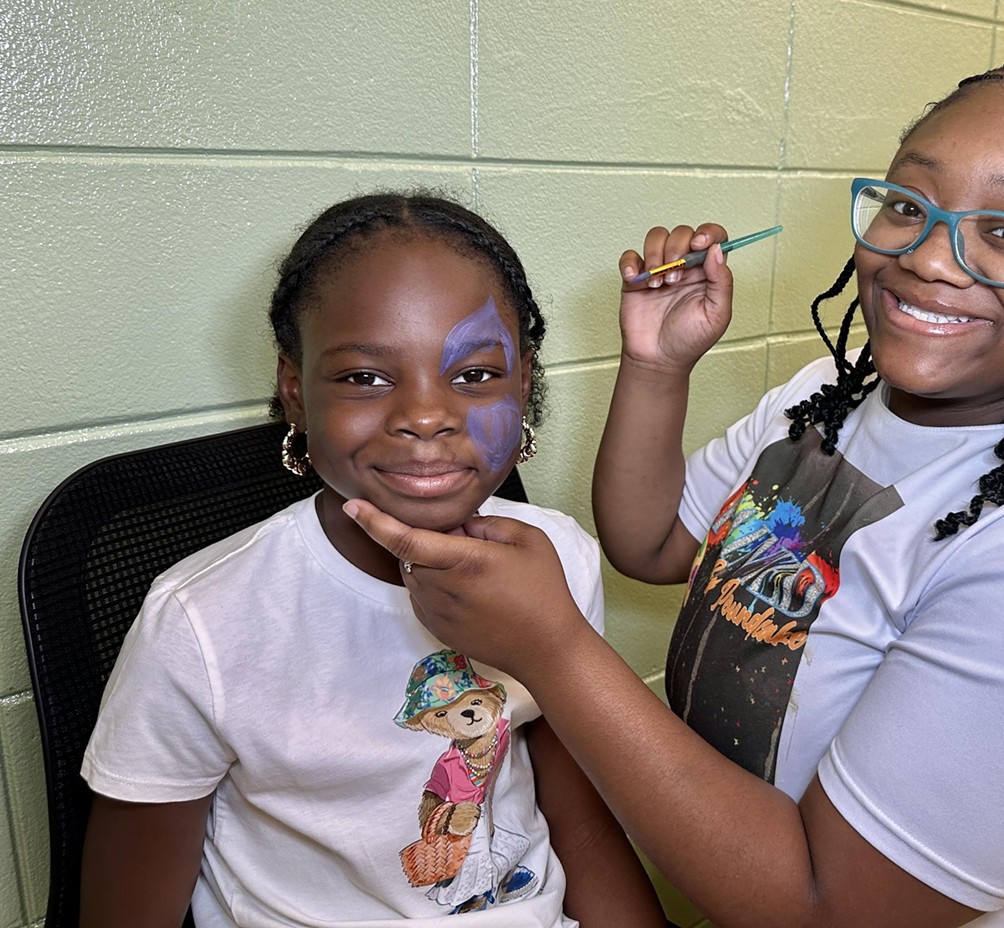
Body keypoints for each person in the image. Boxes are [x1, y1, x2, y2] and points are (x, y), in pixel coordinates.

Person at [346, 62, 1004, 928]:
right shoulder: (827, 400)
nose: (931, 255)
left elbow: (827, 911)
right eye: (908, 205)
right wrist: (655, 365)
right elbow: (652, 544)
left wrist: (555, 652)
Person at [79, 192, 667, 928]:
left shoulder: (561, 560)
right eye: (365, 377)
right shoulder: (201, 624)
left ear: (523, 385)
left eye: (477, 375)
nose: (425, 415)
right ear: (296, 392)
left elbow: (576, 824)